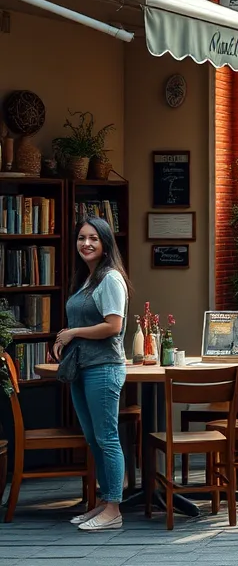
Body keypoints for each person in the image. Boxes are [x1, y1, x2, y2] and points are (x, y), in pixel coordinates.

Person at [53, 218, 129, 532]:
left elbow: (114, 325)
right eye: (82, 238)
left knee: (107, 438)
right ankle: (104, 500)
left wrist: (72, 333)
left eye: (94, 238)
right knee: (93, 439)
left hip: (104, 368)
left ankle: (114, 508)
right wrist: (67, 338)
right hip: (83, 369)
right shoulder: (87, 279)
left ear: (106, 243)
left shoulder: (110, 278)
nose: (86, 244)